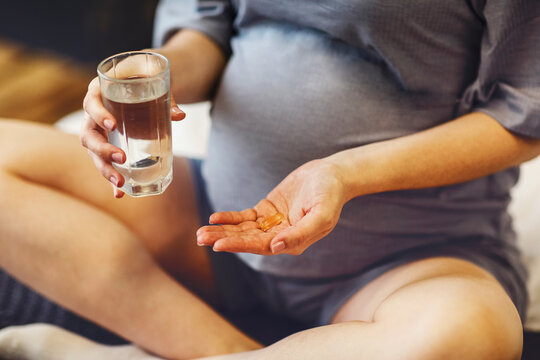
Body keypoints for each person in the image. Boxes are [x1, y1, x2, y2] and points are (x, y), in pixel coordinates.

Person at [1, 0, 540, 358]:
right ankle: (228, 351)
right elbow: (205, 34)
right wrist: (154, 76)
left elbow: (525, 115)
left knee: (471, 331)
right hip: (217, 222)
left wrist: (345, 172)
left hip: (406, 259)